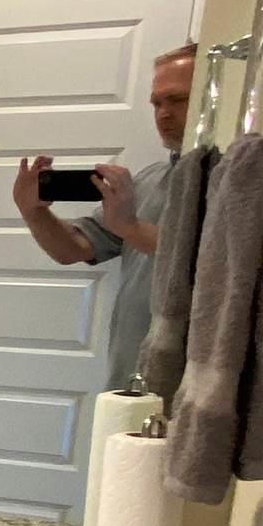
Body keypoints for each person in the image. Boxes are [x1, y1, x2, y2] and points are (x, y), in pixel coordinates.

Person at [11, 42, 195, 389]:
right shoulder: (149, 181)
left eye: (178, 100)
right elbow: (72, 249)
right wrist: (34, 213)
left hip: (195, 382)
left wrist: (130, 227)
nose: (163, 114)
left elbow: (213, 263)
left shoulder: (237, 185)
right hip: (131, 376)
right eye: (156, 103)